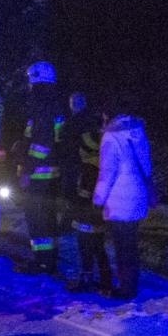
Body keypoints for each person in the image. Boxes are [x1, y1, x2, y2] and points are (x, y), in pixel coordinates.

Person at [93, 101, 154, 301]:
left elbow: (107, 173)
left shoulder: (111, 137)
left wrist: (98, 199)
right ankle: (132, 284)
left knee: (122, 246)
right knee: (132, 243)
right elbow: (146, 166)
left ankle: (126, 289)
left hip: (119, 198)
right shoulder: (138, 132)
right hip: (137, 195)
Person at [19, 61, 66, 275]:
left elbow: (41, 143)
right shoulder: (56, 103)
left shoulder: (40, 105)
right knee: (47, 217)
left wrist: (28, 169)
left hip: (39, 172)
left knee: (35, 217)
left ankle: (41, 261)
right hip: (53, 171)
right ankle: (50, 260)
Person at [64, 93, 111, 293]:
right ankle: (104, 277)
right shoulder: (98, 128)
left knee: (85, 233)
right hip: (94, 184)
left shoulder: (78, 126)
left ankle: (89, 277)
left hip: (86, 183)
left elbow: (77, 153)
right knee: (95, 235)